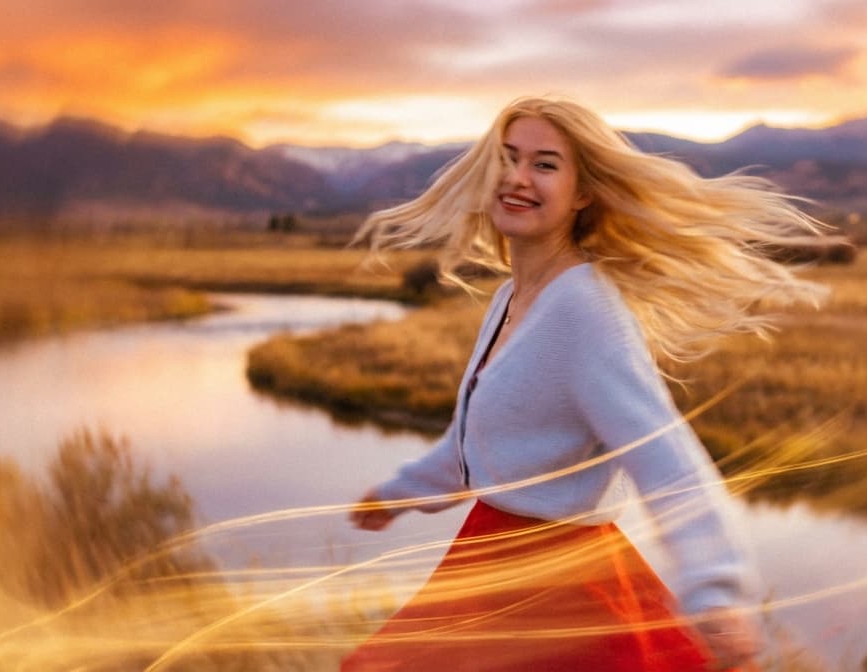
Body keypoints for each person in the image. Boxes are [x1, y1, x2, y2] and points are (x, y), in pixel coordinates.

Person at [342, 96, 826, 671]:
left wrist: (715, 588)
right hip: (493, 558)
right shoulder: (511, 298)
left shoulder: (584, 308)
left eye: (545, 164)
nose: (518, 177)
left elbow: (665, 456)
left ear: (583, 194)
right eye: (507, 158)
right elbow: (479, 442)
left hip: (551, 580)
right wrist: (401, 493)